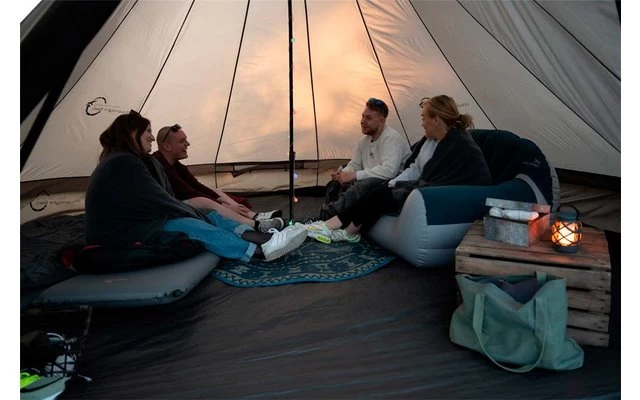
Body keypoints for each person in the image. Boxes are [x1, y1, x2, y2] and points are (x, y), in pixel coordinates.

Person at [85, 110, 307, 263]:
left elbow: (168, 195)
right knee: (192, 225)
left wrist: (200, 211)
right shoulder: (122, 162)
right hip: (121, 233)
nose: (152, 137)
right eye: (147, 131)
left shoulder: (131, 159)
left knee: (209, 215)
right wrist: (193, 213)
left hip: (142, 221)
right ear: (132, 133)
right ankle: (259, 252)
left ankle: (267, 239)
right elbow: (159, 199)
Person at [300, 95, 492, 243]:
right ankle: (337, 227)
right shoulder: (429, 141)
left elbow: (449, 177)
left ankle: (338, 227)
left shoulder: (459, 144)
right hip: (423, 185)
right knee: (378, 190)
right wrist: (391, 184)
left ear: (437, 120)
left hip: (446, 193)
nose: (422, 123)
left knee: (375, 192)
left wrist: (391, 184)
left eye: (424, 118)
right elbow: (414, 168)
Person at [152, 123, 284, 233]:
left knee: (216, 191)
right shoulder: (159, 164)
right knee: (202, 200)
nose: (188, 144)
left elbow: (196, 185)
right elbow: (187, 192)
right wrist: (223, 206)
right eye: (182, 141)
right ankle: (255, 225)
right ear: (167, 146)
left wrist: (225, 202)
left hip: (182, 200)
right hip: (170, 208)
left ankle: (254, 216)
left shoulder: (174, 163)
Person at [319, 97, 411, 220]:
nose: (362, 121)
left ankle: (327, 217)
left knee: (363, 185)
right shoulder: (363, 141)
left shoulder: (391, 139)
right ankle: (330, 217)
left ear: (382, 121)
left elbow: (389, 171)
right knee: (335, 184)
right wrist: (342, 174)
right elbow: (355, 165)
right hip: (371, 180)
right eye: (362, 116)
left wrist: (355, 175)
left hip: (391, 185)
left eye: (368, 118)